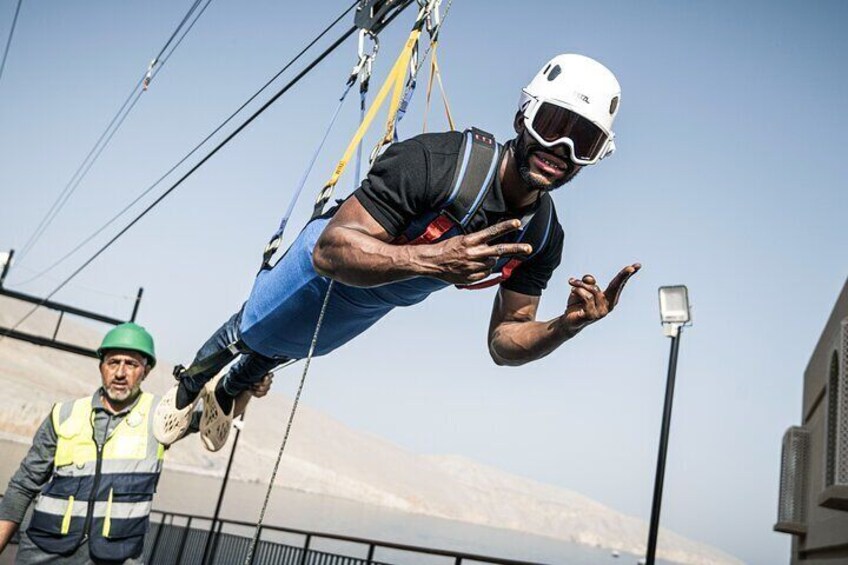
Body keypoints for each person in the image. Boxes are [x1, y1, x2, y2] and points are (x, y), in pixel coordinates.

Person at [154, 53, 641, 453]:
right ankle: (190, 383)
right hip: (326, 269)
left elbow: (503, 342)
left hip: (377, 299)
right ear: (523, 117)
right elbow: (331, 250)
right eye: (554, 124)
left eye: (584, 141)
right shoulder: (435, 162)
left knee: (291, 346)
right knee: (256, 325)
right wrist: (434, 261)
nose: (561, 148)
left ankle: (234, 386)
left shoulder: (544, 234)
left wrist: (565, 326)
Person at [0, 323, 270, 564]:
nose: (120, 372)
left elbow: (214, 419)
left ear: (146, 371)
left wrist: (246, 388)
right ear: (101, 366)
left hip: (117, 558)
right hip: (44, 555)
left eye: (131, 364)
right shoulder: (65, 415)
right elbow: (22, 487)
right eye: (113, 362)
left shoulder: (162, 416)